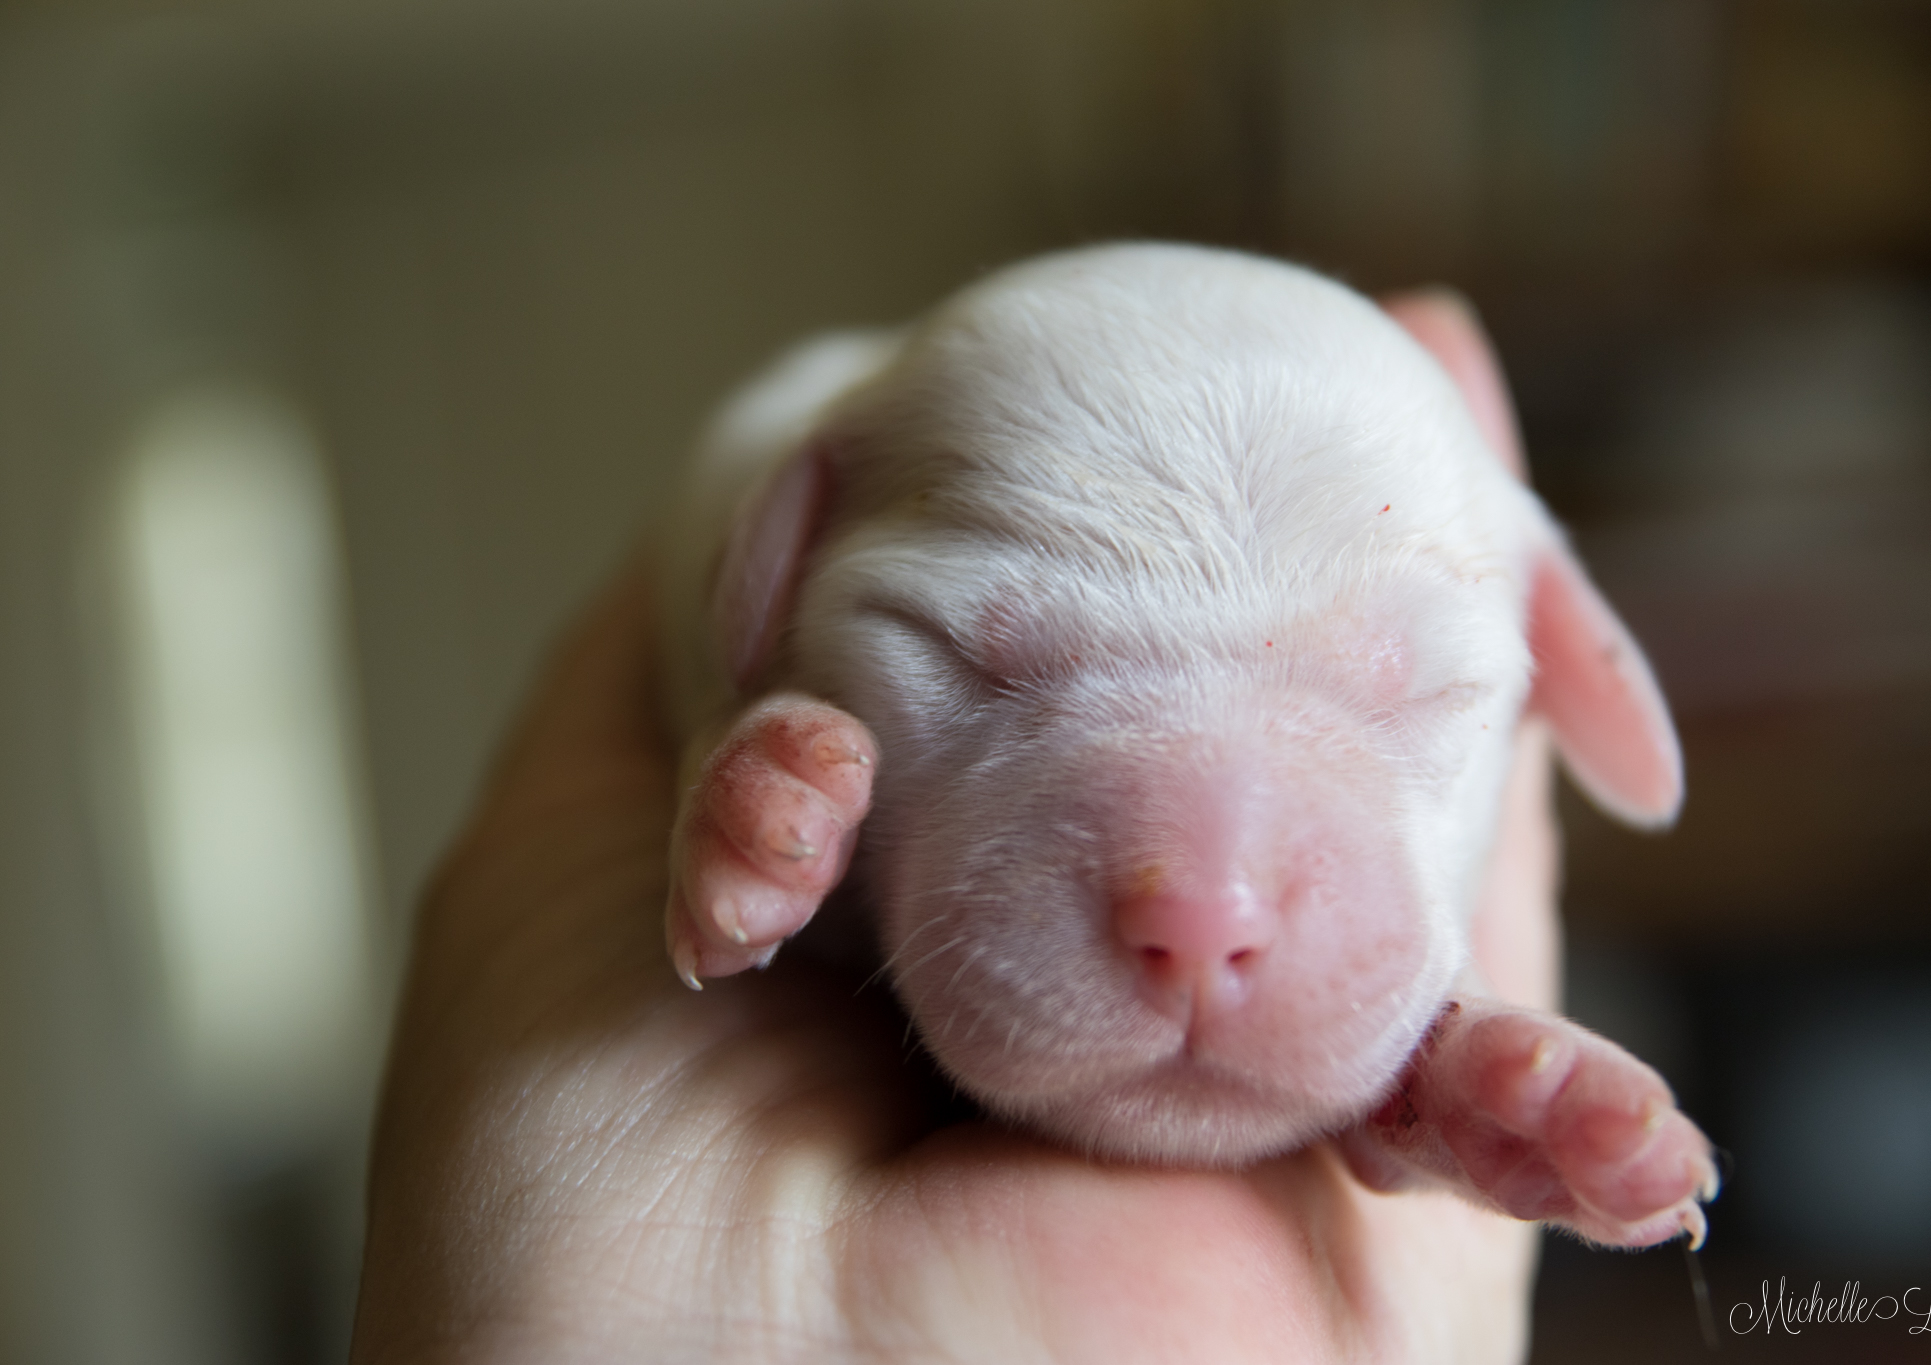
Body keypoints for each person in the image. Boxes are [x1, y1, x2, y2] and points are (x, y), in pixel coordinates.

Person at [348, 301, 1563, 1364]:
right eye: (978, 663)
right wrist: (734, 747)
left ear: (1577, 664)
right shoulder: (778, 443)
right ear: (764, 570)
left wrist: (1443, 1026)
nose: (1201, 910)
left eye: (1412, 700)